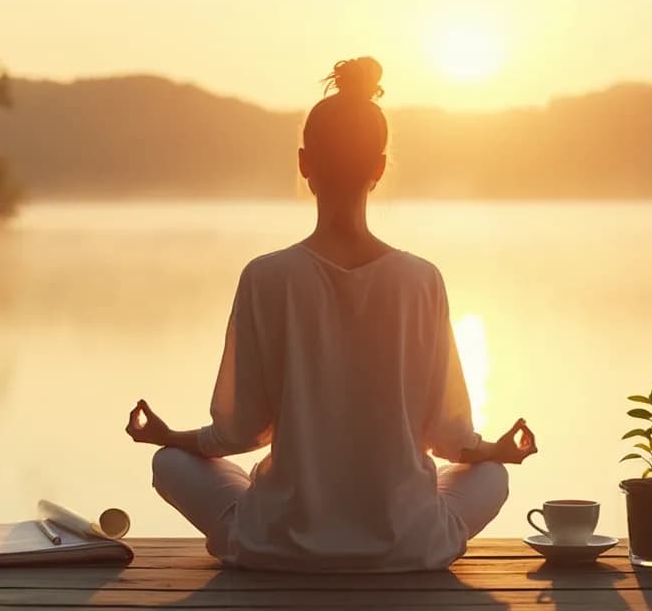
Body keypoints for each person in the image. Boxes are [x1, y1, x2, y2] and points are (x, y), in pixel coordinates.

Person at [124, 57, 538, 573]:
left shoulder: (266, 276)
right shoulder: (421, 279)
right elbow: (450, 438)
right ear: (380, 167)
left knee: (170, 465)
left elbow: (238, 433)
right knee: (492, 476)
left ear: (304, 162)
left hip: (279, 544)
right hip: (407, 545)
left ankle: (271, 511)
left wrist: (170, 438)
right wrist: (493, 449)